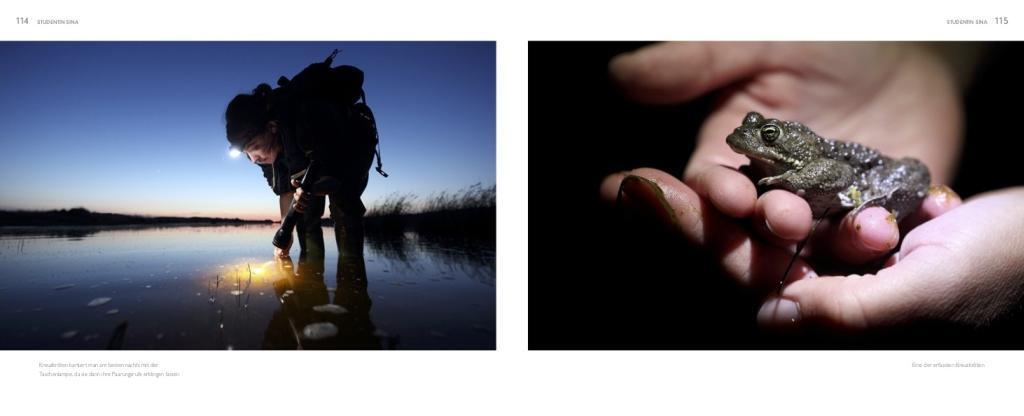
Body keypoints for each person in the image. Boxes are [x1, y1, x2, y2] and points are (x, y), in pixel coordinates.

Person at [599, 42, 1024, 335]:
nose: (754, 138)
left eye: (767, 134)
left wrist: (790, 179)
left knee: (876, 202)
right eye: (756, 130)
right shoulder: (764, 165)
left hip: (876, 170)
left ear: (786, 141)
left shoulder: (811, 161)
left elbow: (839, 175)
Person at [225, 75, 376, 259]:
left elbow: (333, 178)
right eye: (247, 154)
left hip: (349, 150)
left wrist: (310, 188)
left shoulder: (304, 121)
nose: (253, 159)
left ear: (272, 127)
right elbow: (285, 191)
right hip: (309, 167)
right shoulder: (266, 152)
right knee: (305, 216)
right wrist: (285, 232)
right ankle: (311, 276)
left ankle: (352, 272)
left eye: (254, 148)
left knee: (343, 207)